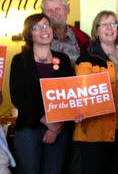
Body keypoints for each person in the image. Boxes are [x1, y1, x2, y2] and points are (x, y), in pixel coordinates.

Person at [10, 13, 74, 174]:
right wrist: (47, 122)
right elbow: (18, 97)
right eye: (37, 27)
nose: (44, 30)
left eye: (46, 25)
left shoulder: (63, 59)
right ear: (29, 34)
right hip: (29, 130)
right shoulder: (20, 60)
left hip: (59, 129)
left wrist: (56, 127)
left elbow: (70, 94)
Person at [71, 11, 118, 174]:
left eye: (113, 24)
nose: (110, 28)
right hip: (95, 131)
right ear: (96, 30)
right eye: (104, 24)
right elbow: (80, 94)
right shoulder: (86, 59)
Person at [41, 0, 90, 64]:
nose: (54, 13)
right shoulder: (37, 39)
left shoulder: (83, 38)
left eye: (57, 9)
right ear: (43, 14)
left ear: (67, 10)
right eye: (49, 10)